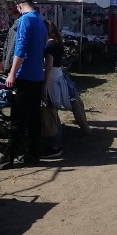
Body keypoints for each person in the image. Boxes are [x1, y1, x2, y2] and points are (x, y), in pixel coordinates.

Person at [0, 0, 48, 170]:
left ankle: (8, 156)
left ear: (20, 7)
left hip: (25, 75)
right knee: (33, 118)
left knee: (18, 118)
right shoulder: (41, 22)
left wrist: (12, 73)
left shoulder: (24, 21)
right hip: (37, 75)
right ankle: (33, 152)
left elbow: (20, 49)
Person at [42, 21, 71, 158]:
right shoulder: (56, 43)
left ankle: (55, 146)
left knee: (51, 115)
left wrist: (44, 88)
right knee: (54, 114)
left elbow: (48, 68)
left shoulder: (49, 45)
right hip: (57, 78)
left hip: (52, 80)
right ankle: (56, 144)